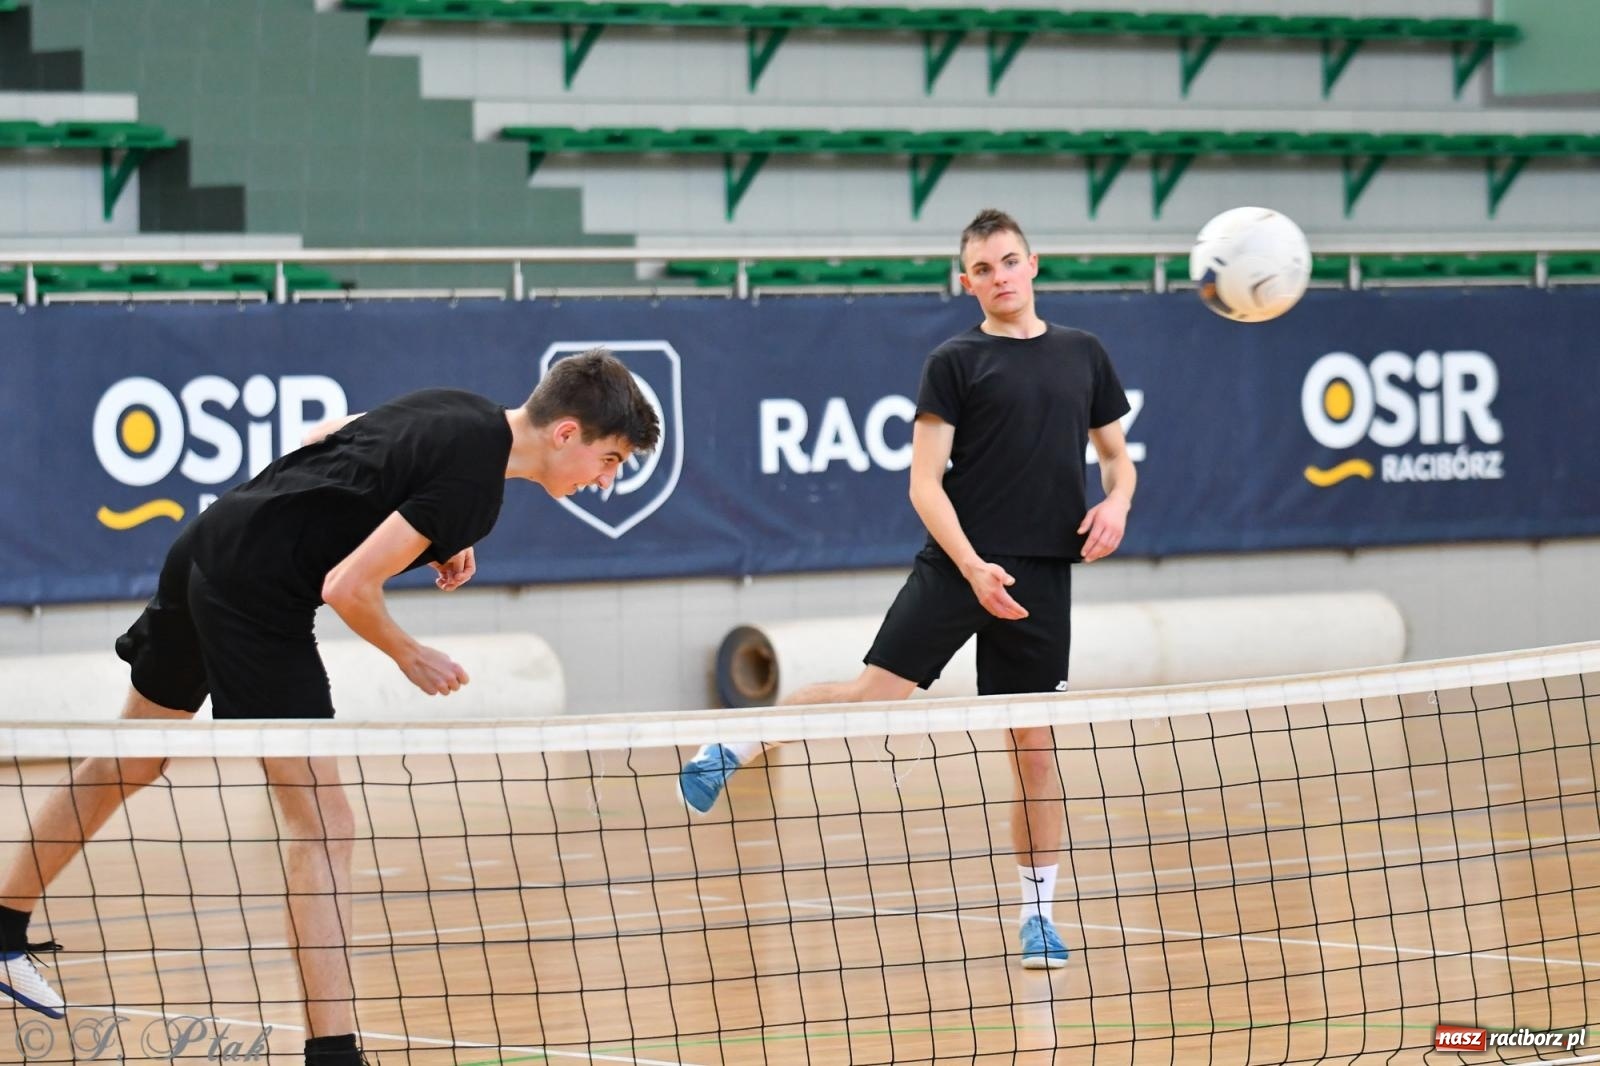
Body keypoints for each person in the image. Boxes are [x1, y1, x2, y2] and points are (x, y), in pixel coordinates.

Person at [0, 349, 659, 1065]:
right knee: (326, 820)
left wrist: (442, 533)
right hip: (255, 598)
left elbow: (331, 436)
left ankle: (1, 932)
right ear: (566, 434)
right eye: (612, 457)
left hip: (209, 543)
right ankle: (334, 1053)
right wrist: (412, 654)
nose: (608, 478)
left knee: (131, 762)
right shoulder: (475, 487)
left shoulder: (460, 407)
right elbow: (349, 587)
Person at [678, 208, 1136, 970]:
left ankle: (1038, 917)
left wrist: (1116, 502)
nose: (999, 276)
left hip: (1042, 577)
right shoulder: (953, 363)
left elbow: (1119, 460)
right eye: (983, 269)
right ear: (968, 283)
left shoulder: (1083, 355)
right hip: (960, 566)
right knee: (869, 699)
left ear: (1034, 265)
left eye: (1009, 261)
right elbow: (925, 485)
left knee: (1033, 748)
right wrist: (971, 567)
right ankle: (732, 744)